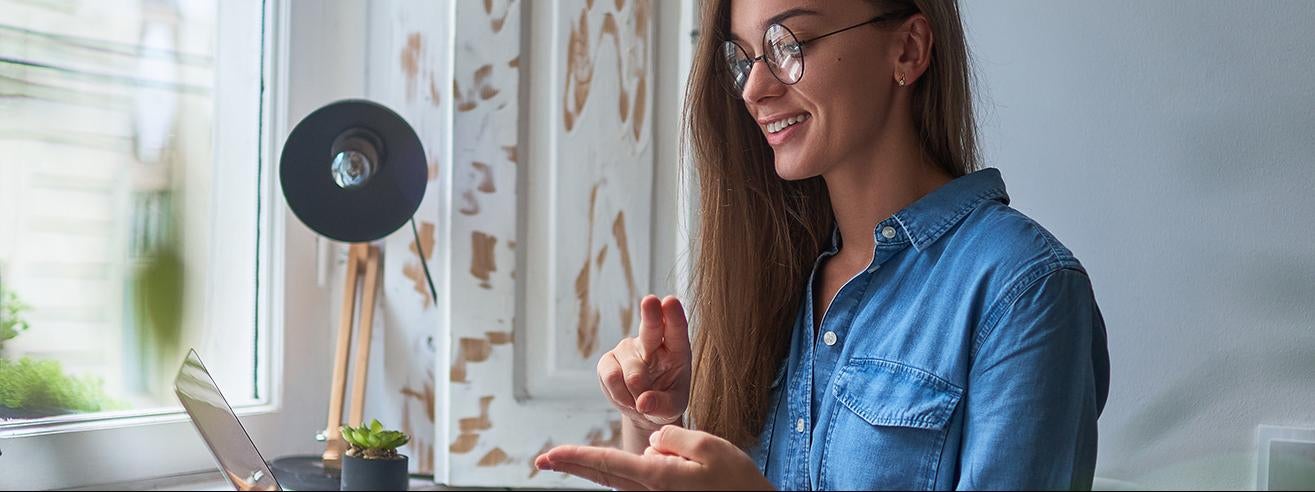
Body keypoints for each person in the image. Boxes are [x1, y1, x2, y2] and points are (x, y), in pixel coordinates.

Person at [536, 0, 1110, 489]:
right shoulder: (772, 287)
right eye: (742, 58)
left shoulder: (1025, 291)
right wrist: (652, 427)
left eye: (790, 43)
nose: (756, 88)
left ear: (908, 49)